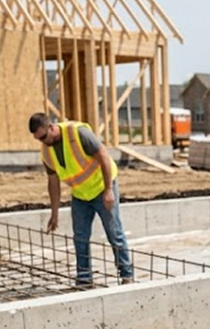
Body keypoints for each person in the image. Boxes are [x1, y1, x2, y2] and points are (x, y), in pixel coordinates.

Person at [29, 112, 134, 285]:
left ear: (51, 127)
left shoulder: (77, 133)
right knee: (80, 237)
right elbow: (53, 182)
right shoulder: (46, 152)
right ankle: (84, 278)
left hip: (102, 188)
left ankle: (126, 275)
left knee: (114, 232)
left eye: (44, 136)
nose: (43, 141)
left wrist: (108, 190)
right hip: (80, 195)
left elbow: (104, 157)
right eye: (39, 139)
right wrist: (54, 213)